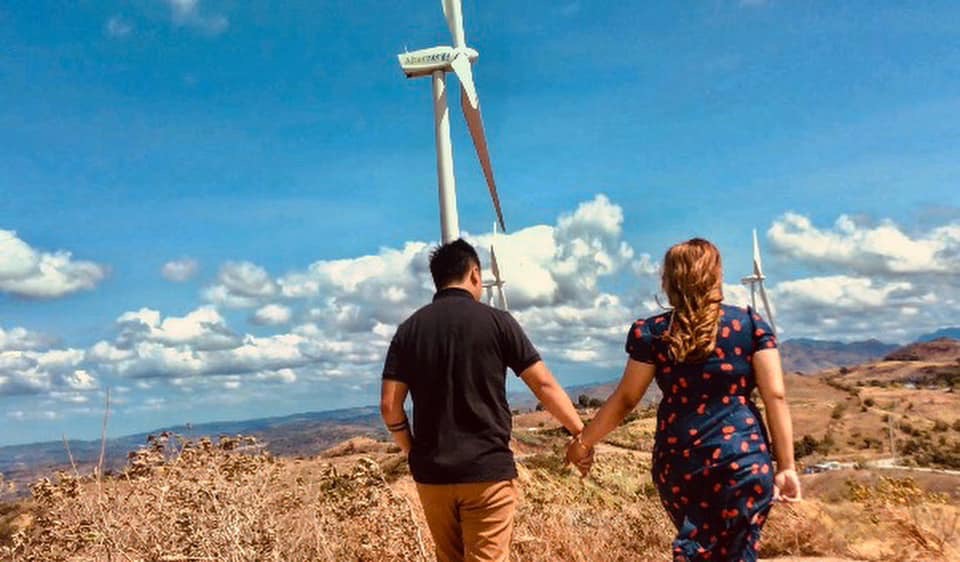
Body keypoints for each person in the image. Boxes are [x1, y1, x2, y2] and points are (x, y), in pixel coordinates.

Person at [566, 238, 801, 562]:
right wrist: (786, 466)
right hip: (743, 459)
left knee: (701, 546)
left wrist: (583, 442)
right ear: (715, 277)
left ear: (669, 282)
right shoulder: (750, 326)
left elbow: (626, 399)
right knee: (735, 552)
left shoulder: (653, 333)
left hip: (681, 462)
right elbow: (775, 394)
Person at [381, 238, 585, 562]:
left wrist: (413, 450)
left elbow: (390, 406)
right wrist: (580, 433)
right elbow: (543, 385)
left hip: (432, 476)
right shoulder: (499, 322)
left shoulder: (408, 331)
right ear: (475, 274)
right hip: (486, 472)